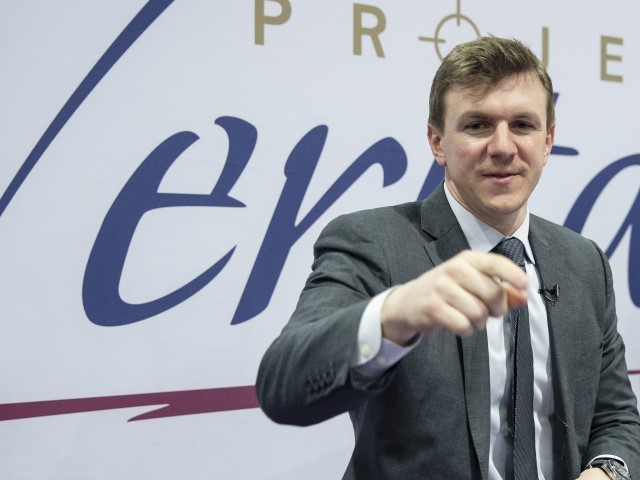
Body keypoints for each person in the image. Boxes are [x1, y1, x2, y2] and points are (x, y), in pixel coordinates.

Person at [256, 36, 640, 479]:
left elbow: (616, 420)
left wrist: (607, 472)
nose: (502, 146)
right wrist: (395, 315)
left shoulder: (584, 262)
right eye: (477, 125)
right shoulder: (370, 242)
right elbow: (283, 387)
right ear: (437, 141)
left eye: (523, 125)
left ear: (548, 140)